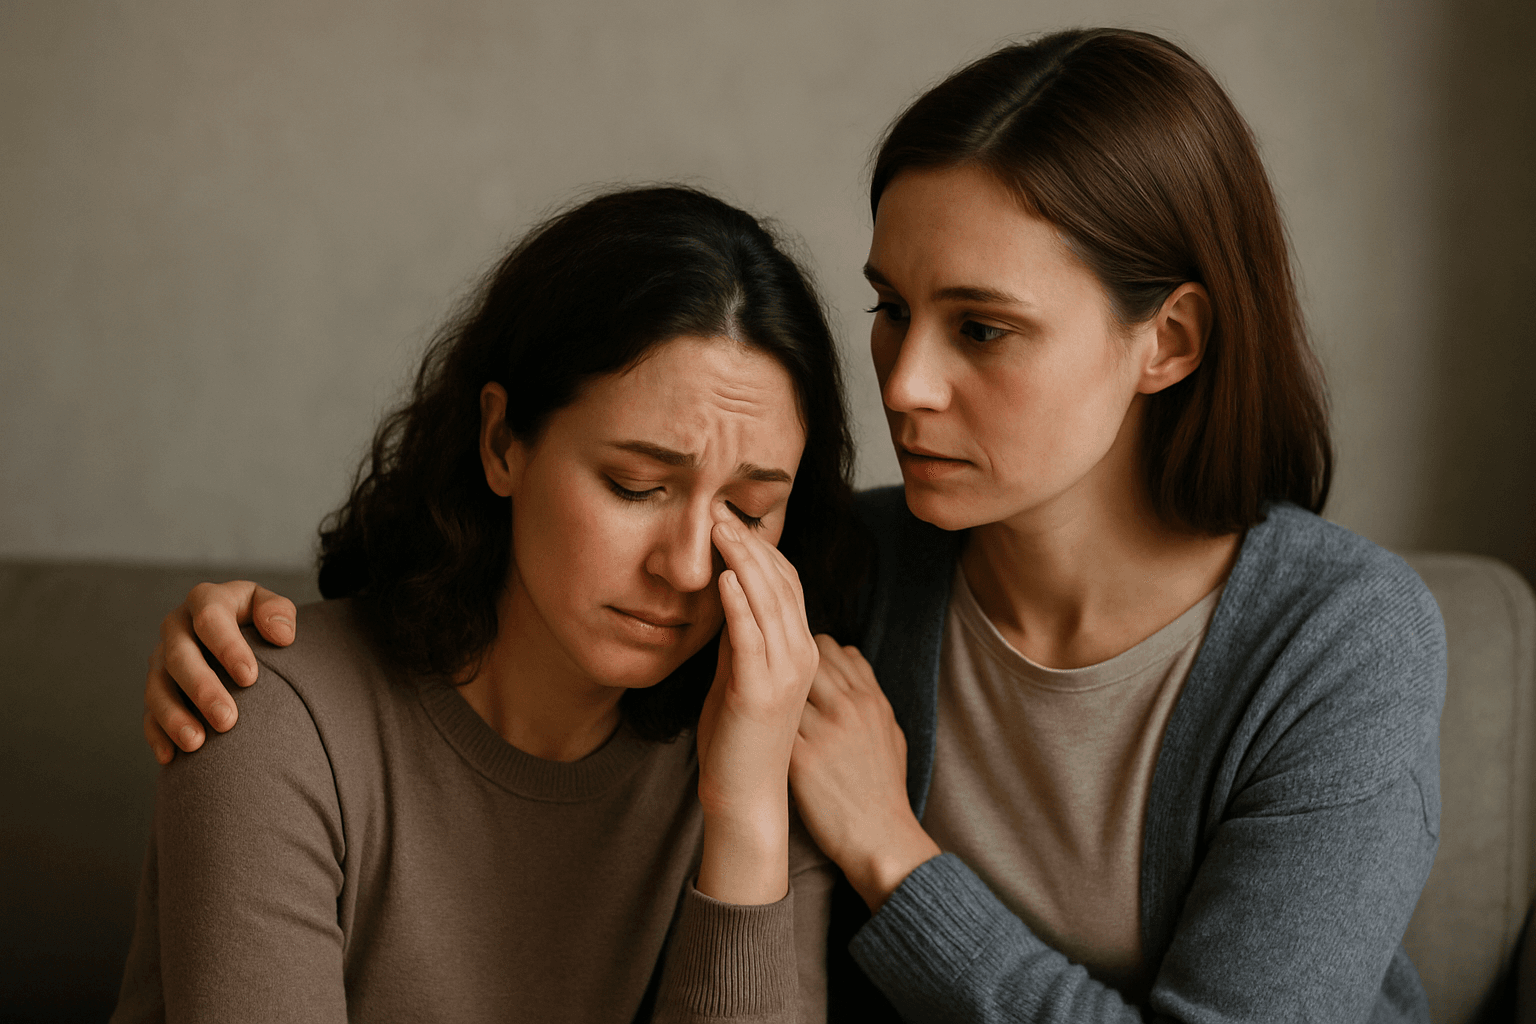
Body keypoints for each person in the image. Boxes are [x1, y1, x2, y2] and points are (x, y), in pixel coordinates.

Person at [139, 29, 1445, 1022]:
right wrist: (252, 657)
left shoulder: (1339, 642)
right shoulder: (831, 580)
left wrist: (889, 848)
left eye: (981, 329)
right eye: (892, 309)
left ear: (1167, 341)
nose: (906, 383)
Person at [113, 184, 866, 1023]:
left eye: (748, 511)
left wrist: (748, 817)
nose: (690, 567)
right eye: (636, 486)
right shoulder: (278, 722)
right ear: (503, 442)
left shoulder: (763, 751)